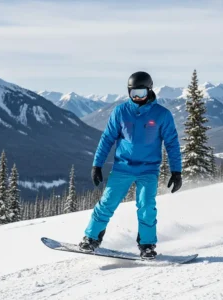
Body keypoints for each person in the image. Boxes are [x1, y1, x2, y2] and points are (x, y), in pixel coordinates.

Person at [79, 71, 182, 259]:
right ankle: (91, 238)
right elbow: (107, 138)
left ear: (150, 91)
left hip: (148, 169)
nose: (137, 97)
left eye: (141, 93)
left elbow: (172, 143)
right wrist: (97, 164)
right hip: (123, 167)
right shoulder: (120, 111)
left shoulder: (162, 115)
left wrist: (176, 171)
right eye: (134, 93)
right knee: (107, 203)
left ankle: (147, 245)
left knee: (146, 206)